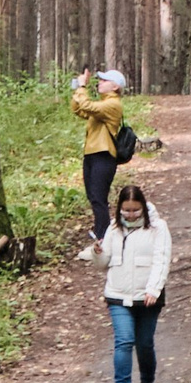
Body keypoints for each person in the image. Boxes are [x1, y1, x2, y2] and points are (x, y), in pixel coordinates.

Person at [99, 183, 169, 383]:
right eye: (126, 210)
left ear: (143, 208)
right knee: (124, 341)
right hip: (117, 294)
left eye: (135, 210)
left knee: (144, 342)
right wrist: (96, 254)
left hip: (148, 296)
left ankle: (147, 382)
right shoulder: (114, 228)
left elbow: (162, 259)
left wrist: (153, 289)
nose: (130, 215)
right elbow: (104, 264)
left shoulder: (158, 228)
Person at [71, 69, 127, 261]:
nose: (100, 82)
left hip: (104, 156)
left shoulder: (112, 104)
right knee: (93, 197)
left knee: (99, 199)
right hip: (92, 155)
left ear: (115, 86)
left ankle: (102, 241)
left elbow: (85, 103)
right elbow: (78, 109)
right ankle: (102, 238)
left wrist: (82, 87)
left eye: (105, 80)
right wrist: (77, 89)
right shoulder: (103, 104)